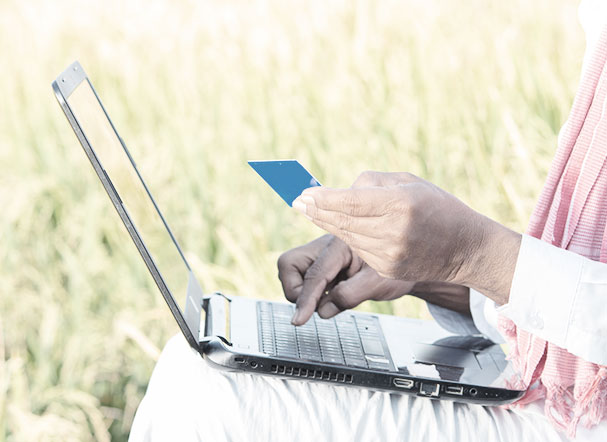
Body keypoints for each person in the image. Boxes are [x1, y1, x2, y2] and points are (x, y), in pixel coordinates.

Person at [129, 1, 607, 440]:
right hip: (555, 387)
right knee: (195, 369)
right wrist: (437, 272)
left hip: (577, 419)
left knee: (204, 391)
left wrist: (477, 256)